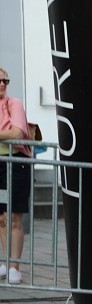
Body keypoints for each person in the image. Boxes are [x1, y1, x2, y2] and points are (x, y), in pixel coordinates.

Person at [0, 67, 31, 284]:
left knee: (14, 218)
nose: (2, 84)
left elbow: (18, 133)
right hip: (0, 166)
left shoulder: (14, 104)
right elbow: (9, 132)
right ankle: (5, 263)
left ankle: (14, 267)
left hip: (16, 165)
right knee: (1, 218)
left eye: (5, 81)